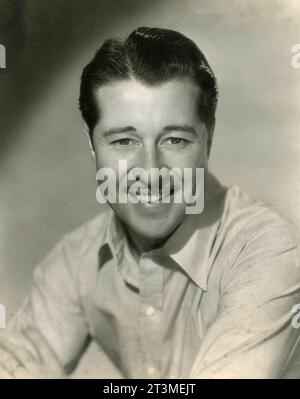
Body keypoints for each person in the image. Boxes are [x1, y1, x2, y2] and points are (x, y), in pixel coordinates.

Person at [0, 27, 300, 379]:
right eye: (124, 141)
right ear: (92, 144)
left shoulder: (265, 250)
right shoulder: (76, 261)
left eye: (174, 139)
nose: (151, 171)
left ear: (208, 139)